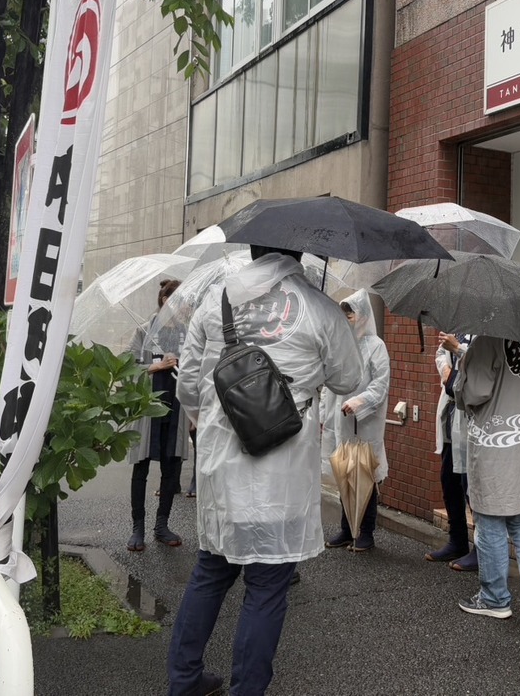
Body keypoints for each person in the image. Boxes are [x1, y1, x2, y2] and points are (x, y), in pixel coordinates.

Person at [166, 244, 363, 696]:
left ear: (253, 249)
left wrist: (215, 419)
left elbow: (188, 385)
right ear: (299, 251)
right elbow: (349, 379)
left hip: (221, 469)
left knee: (211, 573)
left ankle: (184, 681)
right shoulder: (319, 306)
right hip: (283, 473)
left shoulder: (216, 300)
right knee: (267, 587)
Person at [455, 335, 520, 627]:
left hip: (494, 444)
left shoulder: (486, 342)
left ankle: (494, 599)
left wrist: (462, 369)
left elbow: (474, 393)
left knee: (488, 518)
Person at [324, 289, 391, 553]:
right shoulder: (340, 345)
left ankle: (366, 532)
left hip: (365, 423)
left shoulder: (376, 346)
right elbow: (328, 383)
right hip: (341, 422)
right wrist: (324, 415)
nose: (346, 320)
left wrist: (359, 402)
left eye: (350, 315)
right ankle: (347, 528)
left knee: (365, 475)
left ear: (362, 316)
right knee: (345, 473)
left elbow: (380, 384)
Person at [126, 279, 186, 551]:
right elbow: (127, 365)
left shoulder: (187, 332)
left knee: (171, 466)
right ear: (163, 300)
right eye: (175, 299)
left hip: (177, 404)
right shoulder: (145, 330)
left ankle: (162, 525)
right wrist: (158, 365)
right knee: (141, 466)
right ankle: (137, 527)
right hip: (149, 404)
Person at [425, 331, 477, 570]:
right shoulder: (456, 327)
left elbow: (482, 366)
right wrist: (445, 369)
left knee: (472, 488)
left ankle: (481, 548)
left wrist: (457, 348)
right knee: (450, 481)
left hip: (472, 416)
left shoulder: (486, 333)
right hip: (450, 414)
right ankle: (457, 541)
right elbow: (439, 352)